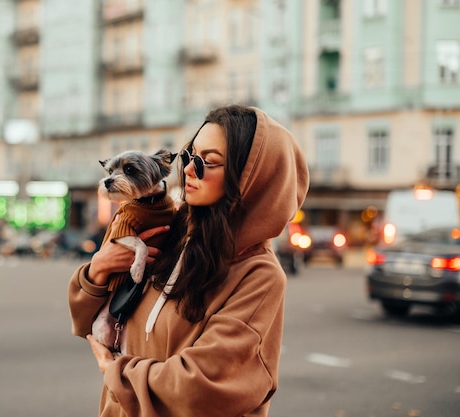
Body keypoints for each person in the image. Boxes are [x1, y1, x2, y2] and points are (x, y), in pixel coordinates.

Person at [68, 105, 309, 417]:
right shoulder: (170, 229)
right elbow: (88, 321)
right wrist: (98, 268)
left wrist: (115, 371)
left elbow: (201, 385)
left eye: (208, 162)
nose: (190, 171)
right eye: (188, 157)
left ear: (251, 181)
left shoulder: (258, 275)